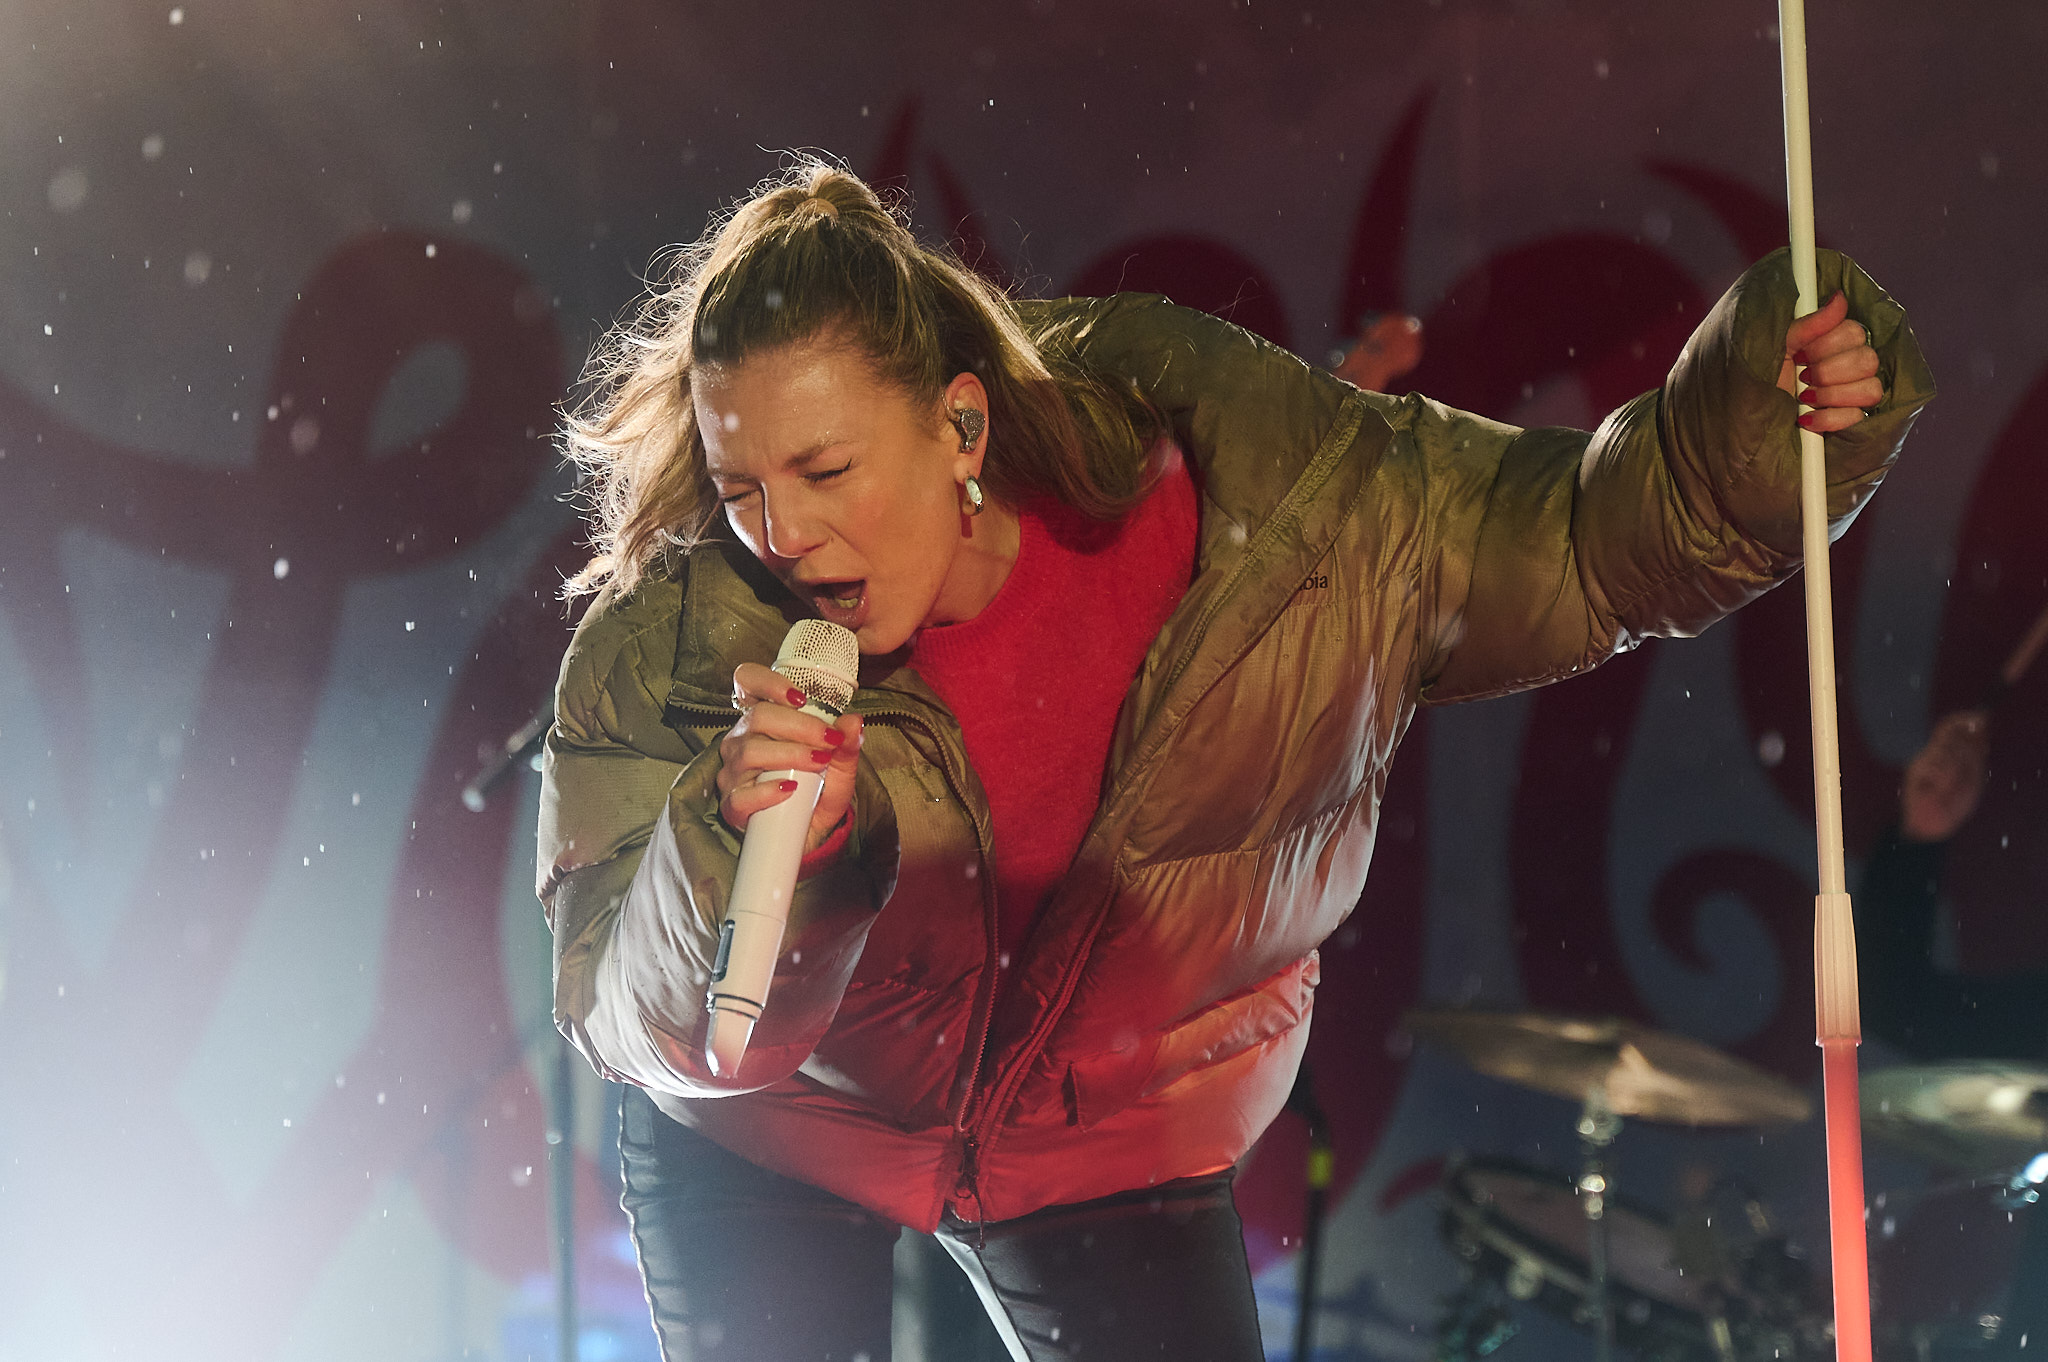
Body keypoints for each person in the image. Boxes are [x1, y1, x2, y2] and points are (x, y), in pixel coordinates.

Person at [537, 158, 1932, 1361]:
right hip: (781, 1130)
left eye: (825, 472)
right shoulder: (678, 644)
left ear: (962, 424)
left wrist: (1761, 422)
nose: (781, 536)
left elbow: (1581, 538)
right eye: (741, 489)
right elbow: (643, 1014)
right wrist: (745, 846)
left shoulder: (1276, 505)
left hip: (1101, 1123)